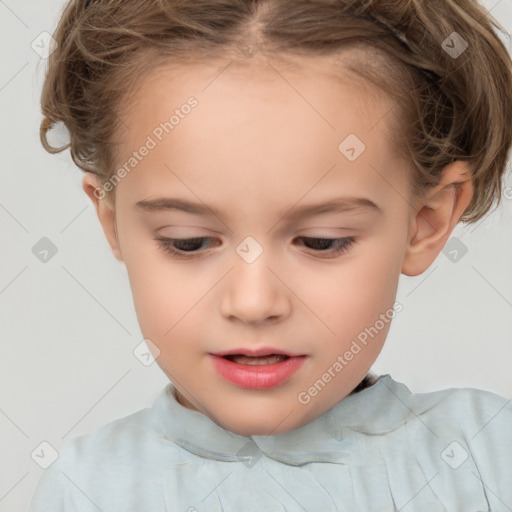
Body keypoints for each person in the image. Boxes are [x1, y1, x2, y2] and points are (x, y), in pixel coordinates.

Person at [30, 0, 512, 510]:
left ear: (427, 222)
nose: (254, 302)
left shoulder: (487, 462)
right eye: (187, 241)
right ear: (115, 224)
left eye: (322, 241)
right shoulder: (88, 491)